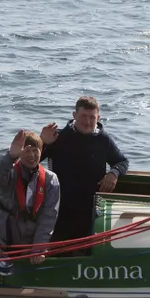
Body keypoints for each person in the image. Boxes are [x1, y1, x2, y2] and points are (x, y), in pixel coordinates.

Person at [40, 96, 129, 244]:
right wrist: (43, 142)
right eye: (83, 116)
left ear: (98, 117)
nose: (87, 122)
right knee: (59, 246)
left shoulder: (103, 139)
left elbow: (121, 161)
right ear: (74, 115)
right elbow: (31, 161)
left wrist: (114, 173)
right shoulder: (59, 137)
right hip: (61, 203)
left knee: (86, 245)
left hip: (90, 203)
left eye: (92, 117)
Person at [0, 129, 61, 276]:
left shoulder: (50, 180)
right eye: (27, 151)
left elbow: (49, 217)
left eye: (36, 151)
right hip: (8, 242)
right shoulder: (10, 174)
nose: (32, 156)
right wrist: (10, 157)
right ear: (20, 153)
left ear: (41, 152)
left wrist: (39, 248)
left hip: (32, 246)